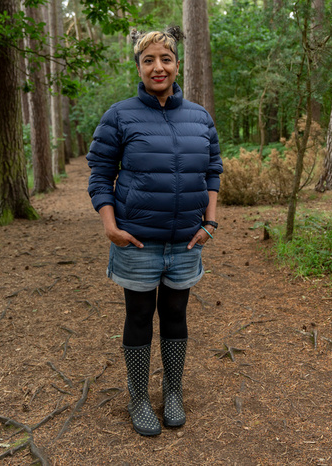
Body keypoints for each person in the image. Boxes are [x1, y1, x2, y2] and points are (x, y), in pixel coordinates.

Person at [86, 27, 223, 437]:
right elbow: (100, 174)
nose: (158, 67)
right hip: (138, 241)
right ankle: (139, 398)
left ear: (177, 64)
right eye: (149, 60)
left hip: (185, 241)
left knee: (176, 315)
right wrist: (110, 227)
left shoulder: (199, 117)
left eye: (165, 59)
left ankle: (174, 393)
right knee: (140, 316)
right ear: (139, 67)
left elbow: (212, 170)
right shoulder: (120, 115)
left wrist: (210, 222)